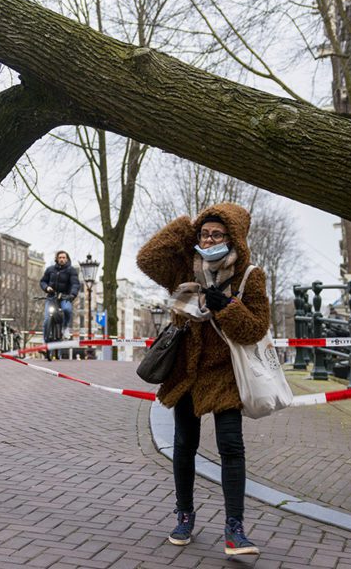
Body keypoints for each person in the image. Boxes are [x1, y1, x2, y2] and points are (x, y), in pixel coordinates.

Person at [136, 202, 270, 557]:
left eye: (217, 234)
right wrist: (185, 227)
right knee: (184, 445)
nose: (209, 240)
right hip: (187, 369)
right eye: (205, 233)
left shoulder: (249, 275)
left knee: (231, 447)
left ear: (234, 238)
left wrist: (226, 307)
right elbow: (146, 259)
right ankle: (184, 515)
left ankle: (235, 528)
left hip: (225, 372)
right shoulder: (183, 266)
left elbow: (257, 327)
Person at [39, 250, 80, 341]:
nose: (61, 259)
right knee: (46, 319)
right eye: (60, 257)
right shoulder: (50, 269)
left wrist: (72, 294)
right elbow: (43, 281)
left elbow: (75, 284)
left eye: (63, 257)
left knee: (67, 310)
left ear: (67, 259)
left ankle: (65, 327)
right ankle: (45, 340)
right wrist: (46, 288)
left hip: (65, 297)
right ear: (57, 259)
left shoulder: (71, 270)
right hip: (51, 297)